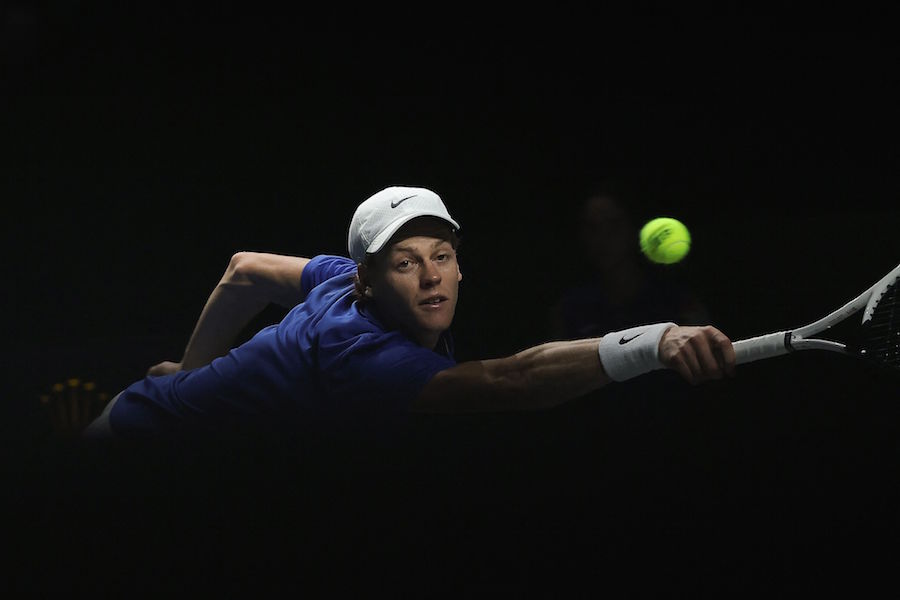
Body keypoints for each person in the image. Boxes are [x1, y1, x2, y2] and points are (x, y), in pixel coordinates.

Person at [83, 185, 736, 440]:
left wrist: (190, 371)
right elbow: (512, 380)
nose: (431, 278)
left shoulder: (342, 279)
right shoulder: (360, 352)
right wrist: (653, 341)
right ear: (368, 280)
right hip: (137, 451)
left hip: (158, 418)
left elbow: (244, 269)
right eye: (405, 263)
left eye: (442, 256)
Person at [550, 188, 712, 341]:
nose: (603, 238)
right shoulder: (570, 309)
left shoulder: (678, 302)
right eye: (593, 228)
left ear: (632, 229)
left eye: (613, 225)